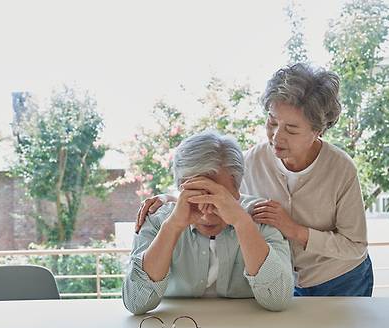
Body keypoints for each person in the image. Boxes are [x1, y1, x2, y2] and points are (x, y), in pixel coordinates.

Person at [137, 63, 373, 297]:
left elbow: (355, 246)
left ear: (318, 130)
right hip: (281, 284)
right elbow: (225, 195)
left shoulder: (341, 169)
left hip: (342, 280)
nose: (277, 136)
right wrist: (171, 199)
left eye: (291, 129)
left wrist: (294, 230)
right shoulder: (250, 161)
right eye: (272, 122)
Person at [122, 131, 293, 315]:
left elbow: (278, 299)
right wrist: (172, 227)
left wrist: (242, 223)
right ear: (180, 189)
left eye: (218, 197)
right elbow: (136, 303)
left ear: (237, 191)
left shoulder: (261, 217)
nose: (207, 213)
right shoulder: (158, 219)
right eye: (196, 195)